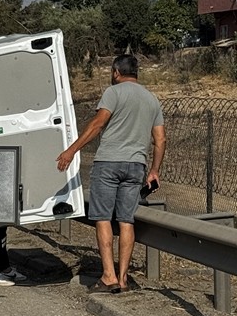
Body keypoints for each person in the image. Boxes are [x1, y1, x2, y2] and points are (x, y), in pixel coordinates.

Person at [56, 54, 166, 294]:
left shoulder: (113, 93)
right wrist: (154, 170)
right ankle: (124, 278)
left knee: (103, 218)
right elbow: (160, 139)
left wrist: (71, 150)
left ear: (116, 72)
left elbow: (97, 124)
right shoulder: (151, 99)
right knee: (126, 220)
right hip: (137, 165)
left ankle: (108, 276)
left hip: (108, 163)